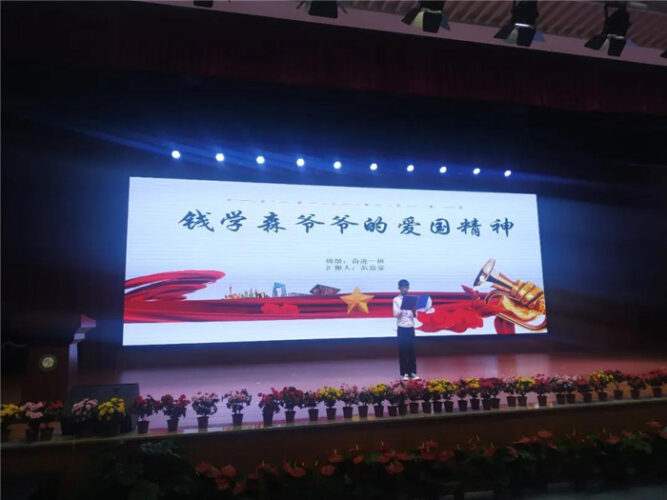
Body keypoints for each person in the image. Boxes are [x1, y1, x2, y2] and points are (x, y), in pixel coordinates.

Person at [393, 279, 419, 381]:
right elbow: (395, 314)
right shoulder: (396, 300)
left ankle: (412, 372)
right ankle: (405, 373)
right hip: (402, 328)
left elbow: (416, 315)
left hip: (410, 327)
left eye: (406, 287)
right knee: (403, 350)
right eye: (403, 287)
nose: (405, 289)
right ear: (399, 288)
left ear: (408, 288)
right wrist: (403, 306)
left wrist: (414, 310)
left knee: (411, 350)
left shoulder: (412, 299)